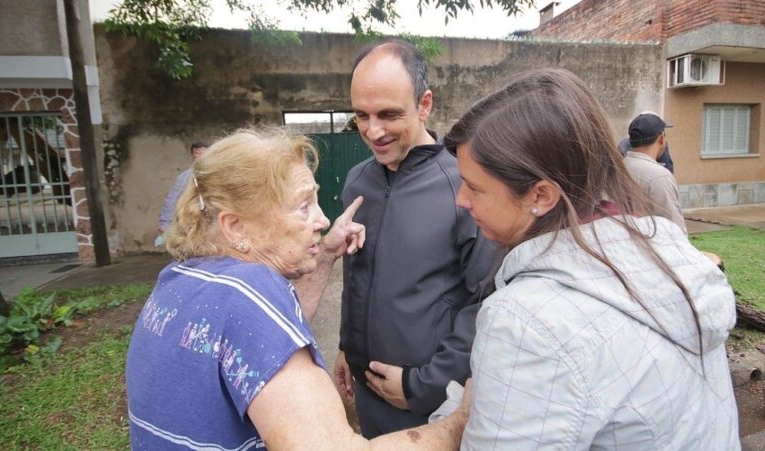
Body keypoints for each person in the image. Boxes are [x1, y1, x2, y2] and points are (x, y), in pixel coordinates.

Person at [444, 68, 739, 449]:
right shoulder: (667, 252)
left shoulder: (528, 323)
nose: (461, 200)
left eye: (474, 187)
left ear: (540, 196)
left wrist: (459, 417)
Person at [126, 128, 472, 450]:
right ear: (235, 226)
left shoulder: (181, 280)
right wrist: (459, 421)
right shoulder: (248, 295)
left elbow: (262, 343)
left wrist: (325, 256)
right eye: (304, 206)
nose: (323, 220)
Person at [333, 40, 498, 438]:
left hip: (431, 404)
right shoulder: (357, 180)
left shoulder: (464, 184)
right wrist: (345, 345)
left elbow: (487, 303)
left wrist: (421, 385)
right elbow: (356, 275)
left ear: (424, 104)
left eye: (389, 114)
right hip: (368, 392)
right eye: (361, 116)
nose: (373, 131)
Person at [622, 112, 687, 233]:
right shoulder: (659, 176)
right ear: (662, 138)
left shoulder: (616, 168)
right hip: (649, 246)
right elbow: (675, 228)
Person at [156, 141, 208, 246]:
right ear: (192, 157)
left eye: (203, 155)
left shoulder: (217, 175)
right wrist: (165, 224)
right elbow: (171, 199)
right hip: (193, 222)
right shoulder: (185, 178)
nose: (199, 159)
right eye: (197, 156)